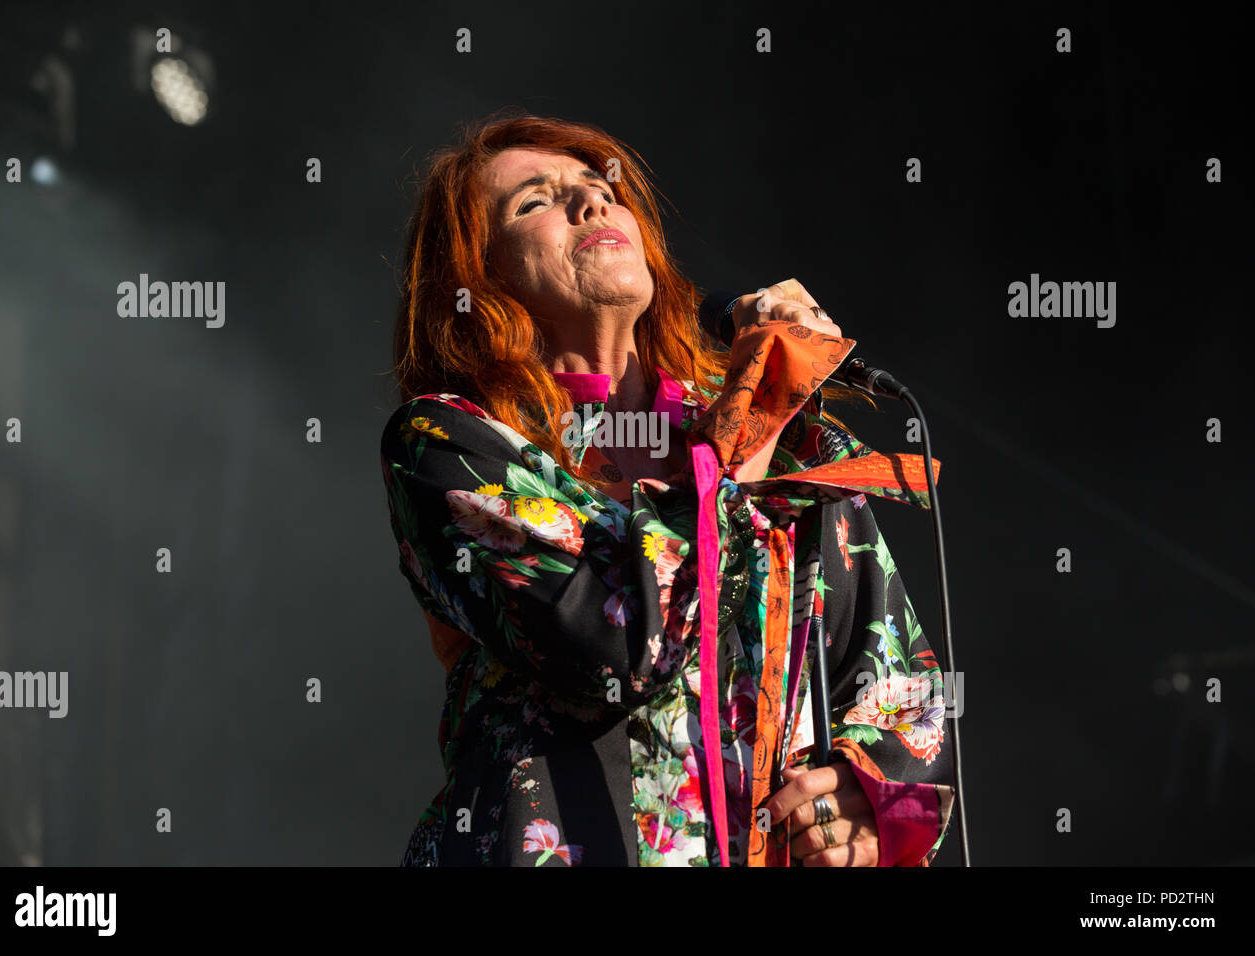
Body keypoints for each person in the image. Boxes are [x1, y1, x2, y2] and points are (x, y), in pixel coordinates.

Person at [382, 112, 955, 866]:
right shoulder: (449, 444)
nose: (592, 204)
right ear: (478, 279)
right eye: (535, 202)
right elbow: (614, 644)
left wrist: (864, 795)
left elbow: (904, 685)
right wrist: (748, 426)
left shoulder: (767, 439)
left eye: (600, 187)